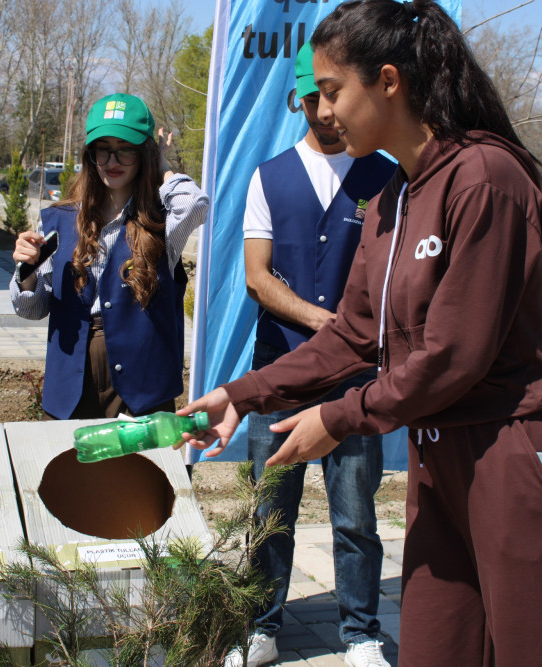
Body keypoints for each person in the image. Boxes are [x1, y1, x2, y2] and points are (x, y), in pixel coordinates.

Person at [182, 2, 542, 666]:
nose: (324, 110)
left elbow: (454, 356)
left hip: (515, 456)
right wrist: (243, 392)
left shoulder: (486, 178)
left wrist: (342, 417)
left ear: (388, 81)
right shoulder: (392, 202)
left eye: (332, 89)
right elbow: (351, 336)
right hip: (439, 465)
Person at [225, 42, 397, 667]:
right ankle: (260, 625)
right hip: (282, 365)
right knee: (271, 507)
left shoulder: (384, 174)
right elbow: (257, 276)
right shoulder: (269, 176)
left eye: (332, 96)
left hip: (356, 380)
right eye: (311, 98)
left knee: (354, 512)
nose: (325, 112)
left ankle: (360, 633)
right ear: (296, 97)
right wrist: (322, 321)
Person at [11, 93, 208, 419]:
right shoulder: (58, 221)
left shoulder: (161, 223)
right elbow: (32, 309)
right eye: (103, 149)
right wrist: (27, 272)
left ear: (144, 154)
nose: (112, 161)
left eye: (126, 150)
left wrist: (163, 165)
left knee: (138, 470)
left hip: (142, 391)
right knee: (70, 468)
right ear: (90, 154)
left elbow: (194, 203)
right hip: (70, 389)